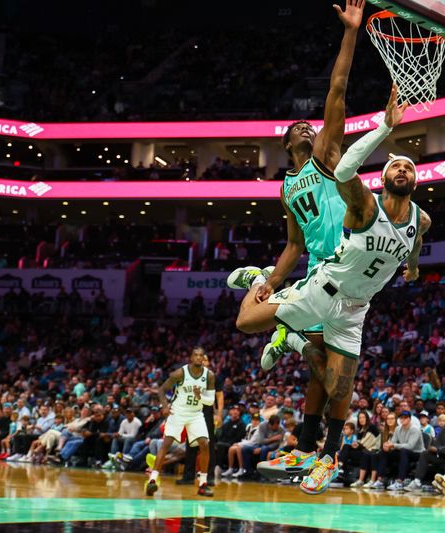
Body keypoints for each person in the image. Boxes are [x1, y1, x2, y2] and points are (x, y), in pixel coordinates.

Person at [236, 84, 427, 495]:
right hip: (327, 280)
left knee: (338, 385)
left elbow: (416, 243)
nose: (402, 171)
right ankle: (262, 282)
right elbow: (342, 164)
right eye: (396, 166)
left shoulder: (420, 220)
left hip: (356, 305)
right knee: (247, 321)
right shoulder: (365, 204)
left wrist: (412, 267)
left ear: (416, 180)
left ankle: (319, 453)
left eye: (408, 168)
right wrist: (383, 128)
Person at [227, 0, 366, 483]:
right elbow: (292, 245)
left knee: (334, 372)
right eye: (298, 128)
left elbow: (338, 89)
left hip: (343, 269)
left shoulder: (325, 157)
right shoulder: (286, 187)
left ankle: (326, 450)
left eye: (311, 124)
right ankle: (309, 448)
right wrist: (271, 279)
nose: (308, 126)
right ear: (287, 144)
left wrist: (350, 32)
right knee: (311, 362)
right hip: (312, 271)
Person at [145, 347, 215, 497]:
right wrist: (164, 406)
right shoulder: (180, 373)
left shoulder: (209, 376)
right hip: (178, 412)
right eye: (195, 355)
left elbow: (210, 401)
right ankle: (152, 480)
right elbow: (161, 390)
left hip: (196, 414)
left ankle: (203, 484)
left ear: (203, 359)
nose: (198, 358)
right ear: (191, 357)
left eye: (200, 355)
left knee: (204, 444)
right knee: (167, 443)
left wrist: (199, 396)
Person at [178, 351, 223, 486]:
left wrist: (219, 414)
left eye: (205, 360)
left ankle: (209, 477)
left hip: (207, 412)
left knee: (208, 444)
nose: (202, 361)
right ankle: (188, 476)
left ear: (208, 363)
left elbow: (219, 396)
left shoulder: (212, 377)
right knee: (191, 444)